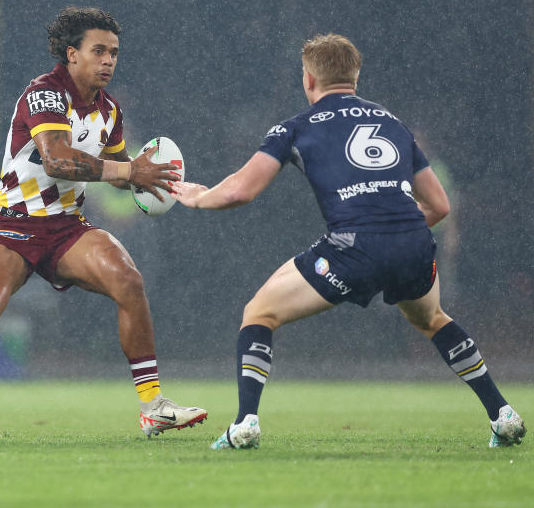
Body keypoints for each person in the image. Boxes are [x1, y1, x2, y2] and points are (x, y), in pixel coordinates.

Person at [173, 33, 525, 450]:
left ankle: (245, 422)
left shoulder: (295, 127)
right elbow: (440, 205)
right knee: (432, 320)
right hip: (414, 240)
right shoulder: (393, 123)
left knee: (259, 313)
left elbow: (239, 191)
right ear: (355, 77)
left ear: (308, 79)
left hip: (353, 247)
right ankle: (502, 414)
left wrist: (196, 199)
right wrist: (399, 236)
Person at [0, 7, 207, 436]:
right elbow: (57, 160)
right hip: (15, 224)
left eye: (114, 52)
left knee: (127, 280)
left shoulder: (110, 110)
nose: (108, 60)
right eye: (98, 51)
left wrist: (169, 186)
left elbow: (119, 170)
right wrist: (132, 172)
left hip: (67, 228)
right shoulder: (45, 94)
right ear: (72, 54)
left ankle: (153, 406)